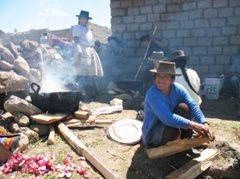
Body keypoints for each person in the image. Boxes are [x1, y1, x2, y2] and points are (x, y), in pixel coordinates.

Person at [142, 60, 214, 150]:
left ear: (172, 80)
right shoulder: (152, 94)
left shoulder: (178, 89)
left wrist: (203, 122)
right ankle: (170, 145)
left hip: (171, 124)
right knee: (173, 132)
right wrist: (194, 125)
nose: (160, 80)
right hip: (154, 131)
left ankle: (185, 139)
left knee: (184, 107)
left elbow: (192, 104)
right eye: (158, 76)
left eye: (165, 77)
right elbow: (167, 118)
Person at [72, 10, 103, 98]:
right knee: (82, 72)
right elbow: (76, 39)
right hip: (82, 50)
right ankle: (81, 92)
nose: (84, 20)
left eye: (85, 19)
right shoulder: (77, 27)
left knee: (91, 72)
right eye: (82, 18)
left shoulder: (87, 30)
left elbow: (90, 41)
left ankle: (90, 92)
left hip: (90, 51)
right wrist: (78, 50)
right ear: (79, 19)